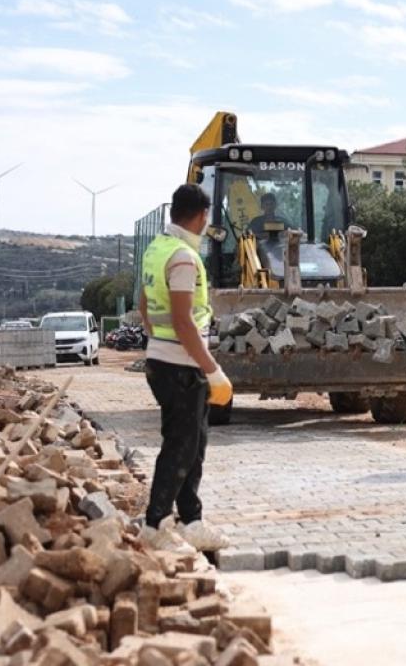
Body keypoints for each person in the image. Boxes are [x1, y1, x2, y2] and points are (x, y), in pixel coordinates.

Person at [137, 183, 233, 553]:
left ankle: (191, 521)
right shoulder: (182, 258)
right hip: (180, 366)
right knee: (180, 446)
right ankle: (155, 524)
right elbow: (183, 321)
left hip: (165, 362)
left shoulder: (157, 249)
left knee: (194, 443)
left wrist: (156, 344)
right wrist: (212, 369)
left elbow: (145, 307)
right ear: (202, 216)